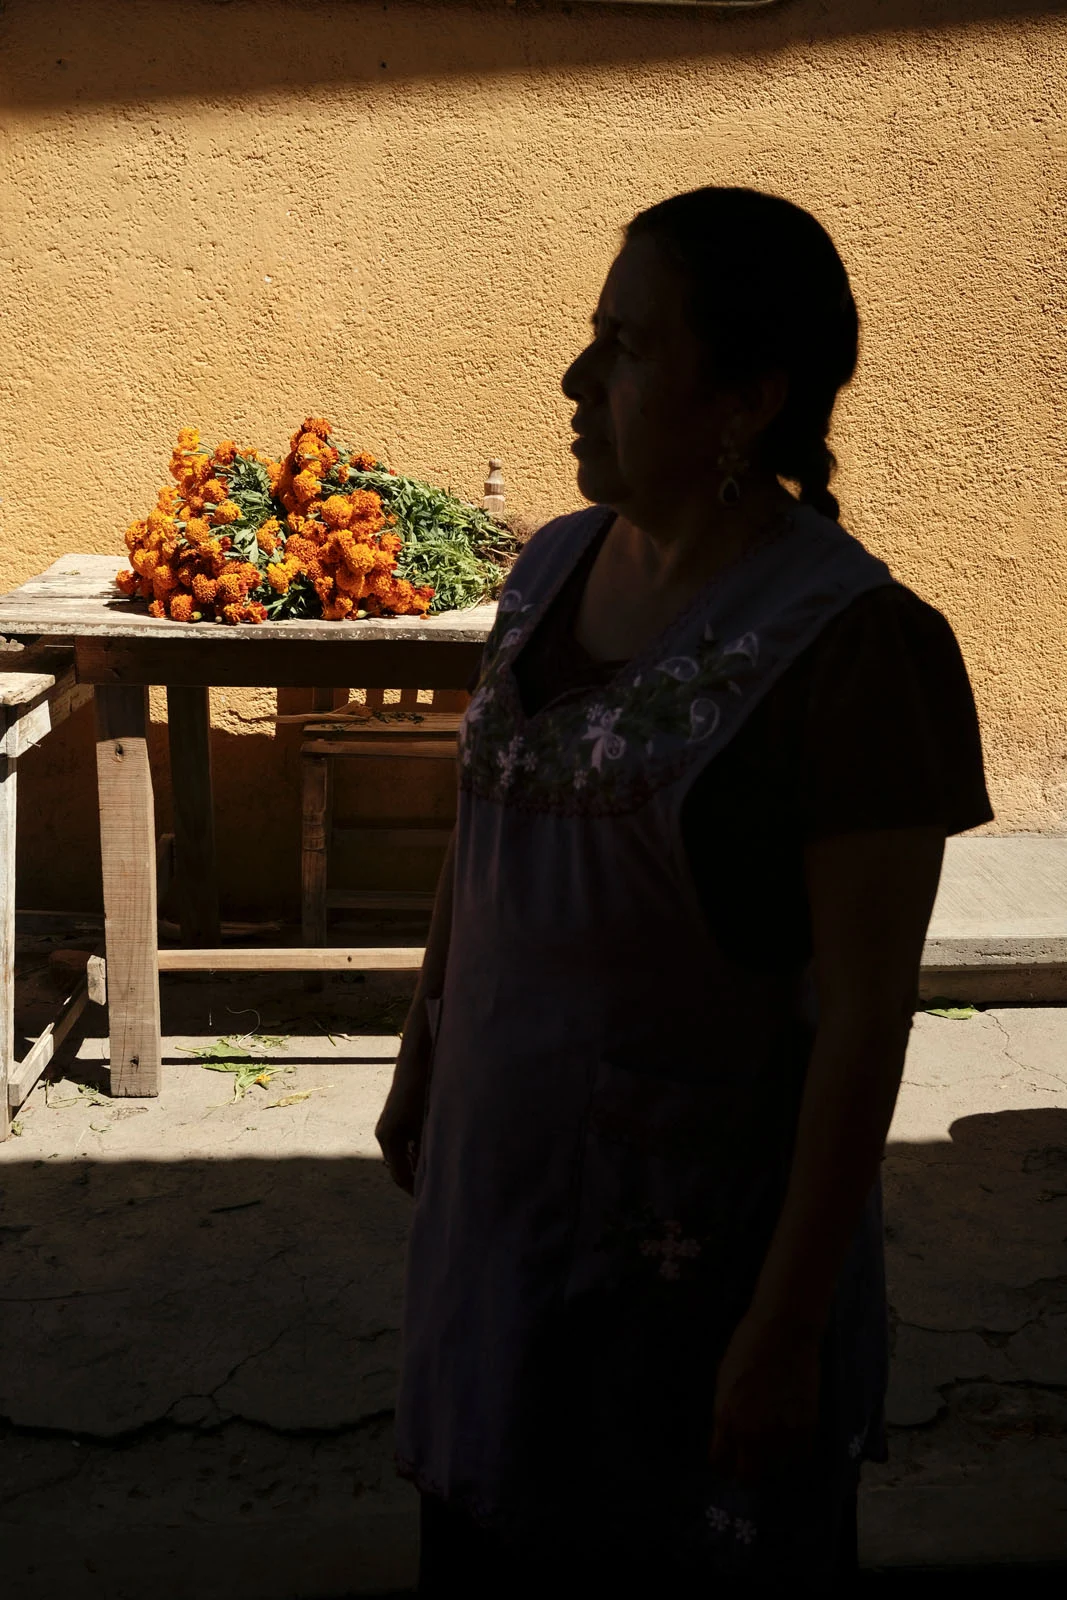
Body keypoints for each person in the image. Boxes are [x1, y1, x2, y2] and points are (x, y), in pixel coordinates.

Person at [376, 186, 992, 1595]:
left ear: (749, 398)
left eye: (632, 348)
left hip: (691, 1264)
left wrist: (779, 1334)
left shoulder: (856, 654)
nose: (577, 380)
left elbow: (860, 1022)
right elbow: (481, 840)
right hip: (497, 1219)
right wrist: (422, 1050)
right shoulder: (549, 567)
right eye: (593, 337)